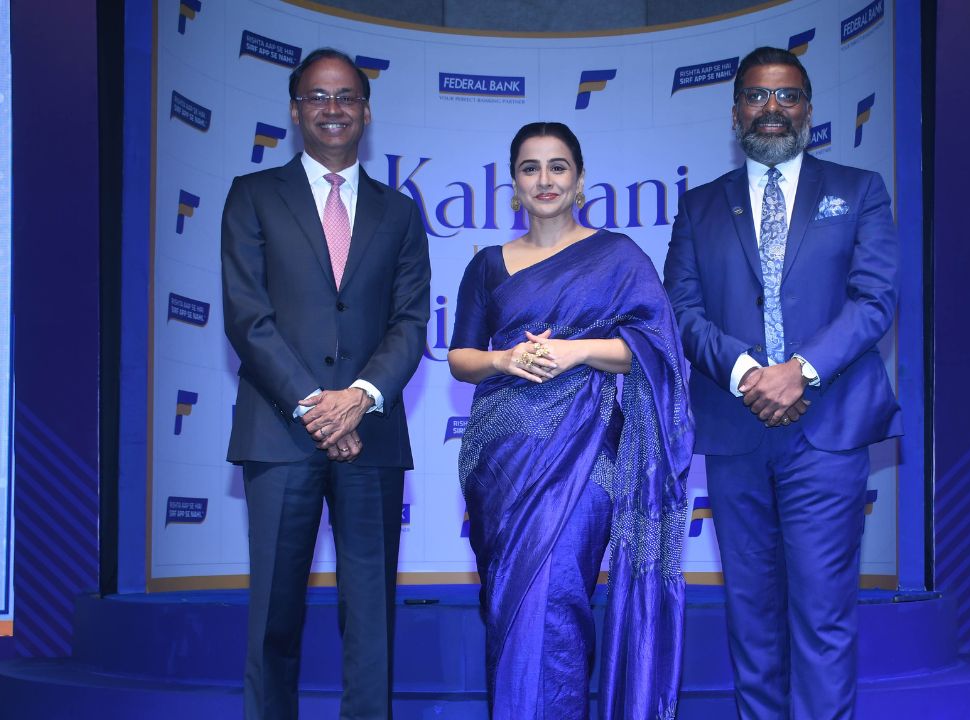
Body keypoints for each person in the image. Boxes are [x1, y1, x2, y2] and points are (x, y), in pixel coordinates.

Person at [663, 46, 901, 719]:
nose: (773, 109)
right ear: (735, 109)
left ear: (810, 109)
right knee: (751, 619)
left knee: (822, 619)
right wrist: (746, 373)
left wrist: (798, 372)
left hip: (826, 433)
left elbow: (876, 299)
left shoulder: (859, 192)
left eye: (788, 95)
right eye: (758, 96)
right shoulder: (700, 208)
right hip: (738, 434)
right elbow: (678, 309)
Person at [447, 121, 692, 719]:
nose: (545, 179)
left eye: (558, 167)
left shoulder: (617, 257)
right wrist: (504, 358)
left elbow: (657, 350)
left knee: (558, 599)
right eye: (530, 168)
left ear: (580, 179)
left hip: (582, 456)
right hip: (500, 464)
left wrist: (579, 351)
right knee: (509, 607)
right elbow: (459, 358)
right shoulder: (487, 264)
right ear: (514, 184)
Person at [221, 47, 431, 720]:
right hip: (280, 435)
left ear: (366, 112)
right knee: (273, 620)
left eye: (345, 97)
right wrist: (317, 408)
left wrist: (358, 400)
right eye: (317, 96)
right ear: (294, 110)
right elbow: (246, 317)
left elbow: (409, 322)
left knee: (371, 622)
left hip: (372, 435)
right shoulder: (251, 196)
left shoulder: (399, 213)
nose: (332, 108)